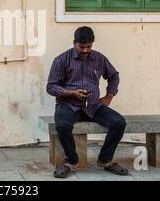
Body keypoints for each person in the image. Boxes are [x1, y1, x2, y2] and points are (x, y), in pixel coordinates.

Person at [46, 26, 129, 178]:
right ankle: (71, 162)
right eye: (81, 47)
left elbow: (114, 75)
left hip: (94, 106)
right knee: (62, 125)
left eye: (89, 47)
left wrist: (109, 96)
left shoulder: (99, 58)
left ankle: (105, 160)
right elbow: (51, 87)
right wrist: (71, 93)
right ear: (74, 43)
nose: (85, 50)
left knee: (119, 122)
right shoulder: (61, 60)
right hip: (69, 105)